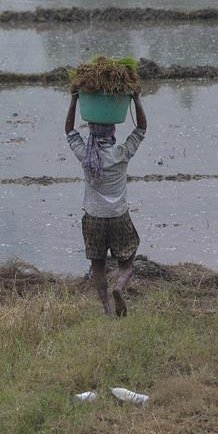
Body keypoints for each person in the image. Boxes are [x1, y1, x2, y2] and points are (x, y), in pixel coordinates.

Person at [64, 90, 147, 316]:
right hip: (119, 216)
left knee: (97, 266)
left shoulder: (86, 156)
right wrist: (136, 99)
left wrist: (74, 100)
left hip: (93, 218)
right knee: (126, 263)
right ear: (112, 132)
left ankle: (107, 310)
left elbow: (70, 132)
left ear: (91, 131)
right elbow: (141, 129)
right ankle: (119, 286)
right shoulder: (121, 153)